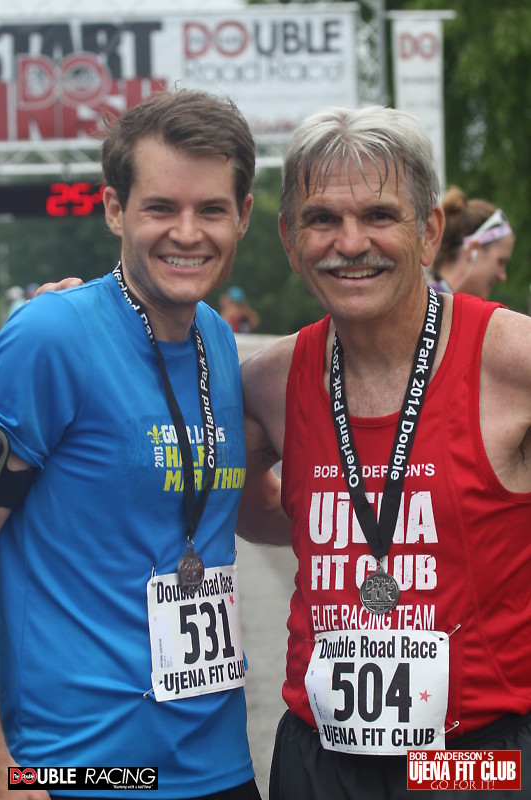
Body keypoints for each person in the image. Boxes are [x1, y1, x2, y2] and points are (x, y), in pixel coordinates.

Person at [237, 105, 531, 799]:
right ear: (289, 238)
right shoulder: (268, 381)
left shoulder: (511, 361)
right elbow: (246, 505)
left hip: (471, 760)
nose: (350, 243)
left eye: (378, 215)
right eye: (321, 219)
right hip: (318, 760)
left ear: (428, 232)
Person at [0, 89, 262, 800]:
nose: (187, 233)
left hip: (218, 764)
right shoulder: (52, 336)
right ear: (115, 209)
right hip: (81, 768)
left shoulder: (217, 341)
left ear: (242, 215)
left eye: (211, 210)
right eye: (160, 208)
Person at [426, 185, 514, 298]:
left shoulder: (430, 301)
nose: (503, 276)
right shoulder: (425, 305)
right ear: (473, 250)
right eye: (500, 262)